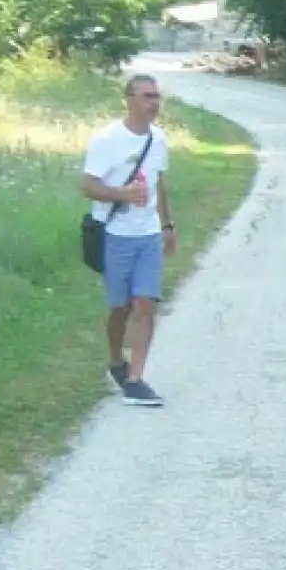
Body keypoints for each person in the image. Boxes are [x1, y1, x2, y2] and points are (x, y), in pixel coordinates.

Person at [79, 75, 176, 407]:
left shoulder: (159, 139)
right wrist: (121, 193)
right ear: (130, 100)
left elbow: (159, 183)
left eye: (157, 96)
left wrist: (167, 224)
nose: (154, 102)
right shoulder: (107, 139)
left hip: (147, 235)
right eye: (147, 96)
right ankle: (116, 361)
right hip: (115, 235)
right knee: (119, 308)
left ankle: (135, 380)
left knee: (145, 304)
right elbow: (88, 185)